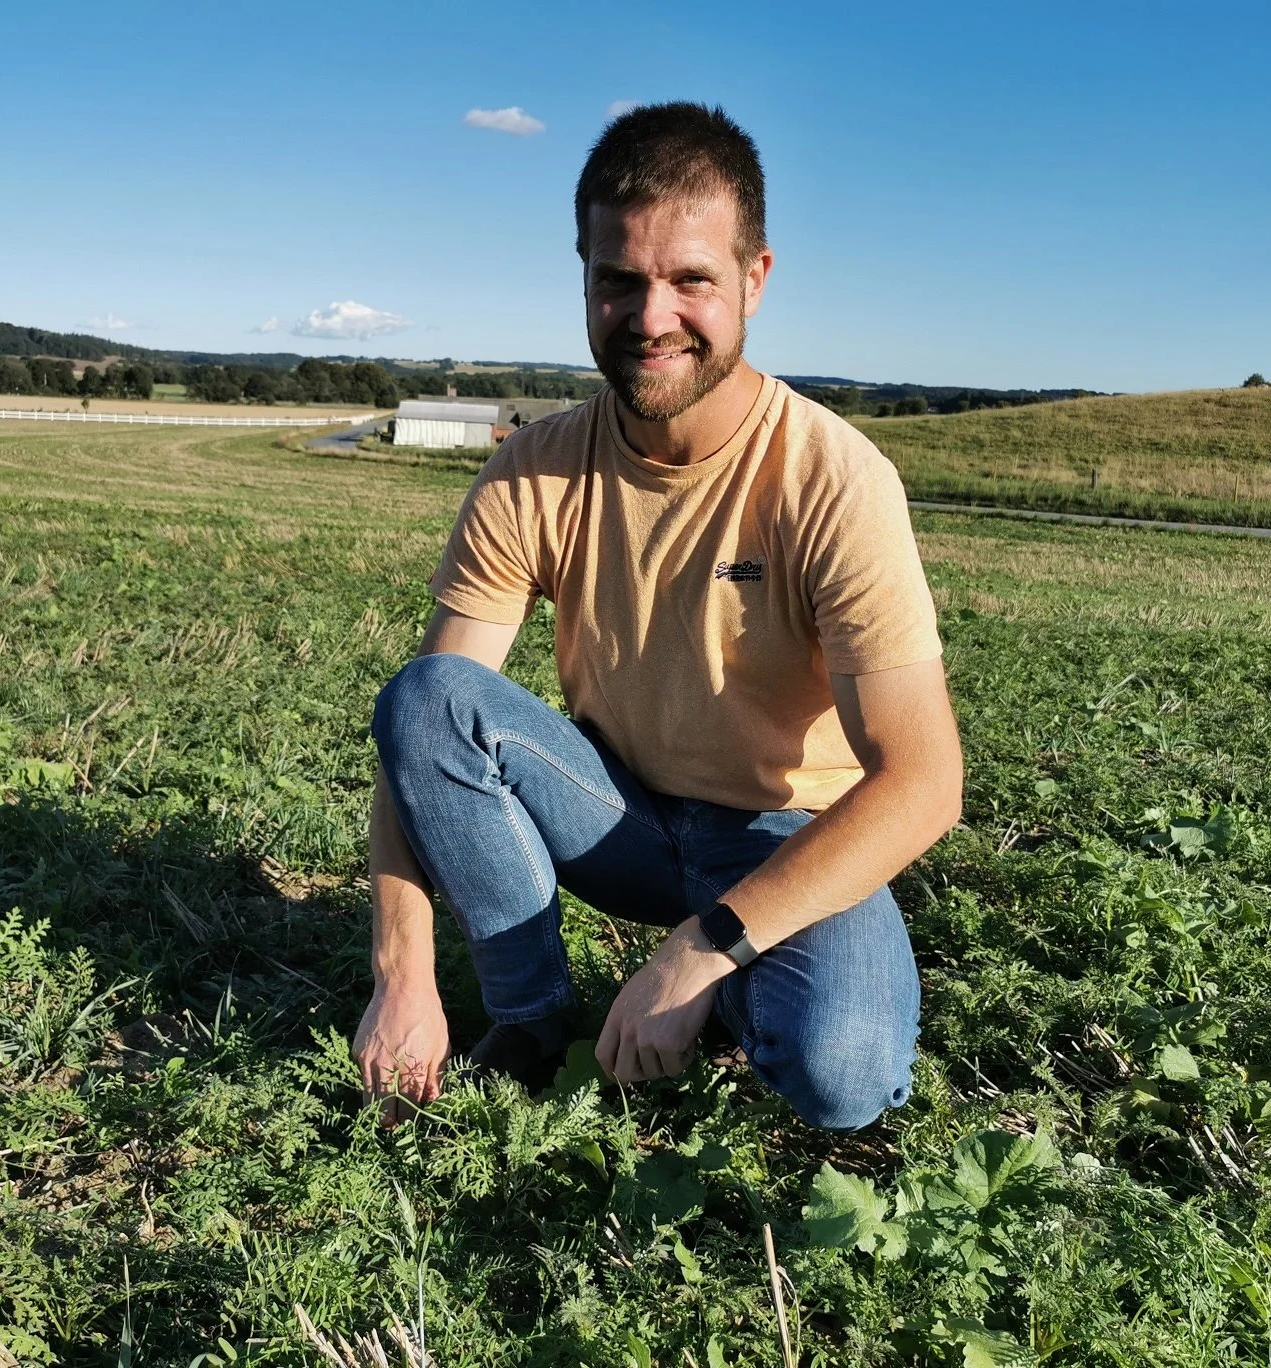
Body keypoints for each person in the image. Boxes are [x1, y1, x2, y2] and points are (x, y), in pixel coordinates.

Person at [352, 102, 964, 1131]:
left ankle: (726, 985)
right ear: (584, 277)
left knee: (845, 1072)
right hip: (617, 815)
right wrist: (401, 971)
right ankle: (533, 1017)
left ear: (755, 280)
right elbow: (423, 742)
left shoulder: (833, 478)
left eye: (691, 280)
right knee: (426, 695)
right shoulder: (534, 469)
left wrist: (705, 946)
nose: (650, 317)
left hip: (784, 833)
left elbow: (926, 783)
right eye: (619, 281)